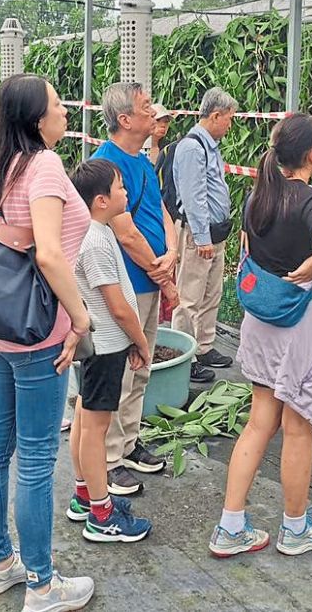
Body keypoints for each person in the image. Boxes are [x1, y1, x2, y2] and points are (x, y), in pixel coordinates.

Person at [0, 73, 95, 612]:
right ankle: (42, 585)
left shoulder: (2, 165)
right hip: (42, 331)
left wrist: (6, 231)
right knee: (38, 459)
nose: (67, 111)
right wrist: (81, 317)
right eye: (60, 104)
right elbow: (48, 254)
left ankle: (0, 565)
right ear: (39, 120)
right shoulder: (43, 165)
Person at [209, 113, 312, 559]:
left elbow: (249, 248)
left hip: (262, 321)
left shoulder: (259, 197)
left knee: (258, 422)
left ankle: (231, 527)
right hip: (299, 326)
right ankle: (294, 528)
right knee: (297, 427)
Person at [92, 81, 179, 495]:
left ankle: (128, 442)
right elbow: (124, 233)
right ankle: (107, 459)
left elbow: (160, 210)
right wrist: (162, 272)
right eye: (147, 108)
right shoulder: (104, 165)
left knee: (141, 365)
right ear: (125, 119)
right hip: (124, 285)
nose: (154, 113)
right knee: (119, 370)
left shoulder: (143, 162)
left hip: (150, 279)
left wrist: (173, 249)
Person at [65, 159, 153, 545]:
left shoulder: (88, 230)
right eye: (120, 188)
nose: (126, 193)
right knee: (96, 430)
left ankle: (83, 496)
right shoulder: (96, 240)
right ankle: (102, 514)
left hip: (95, 347)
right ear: (101, 200)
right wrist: (141, 339)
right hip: (105, 347)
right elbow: (117, 306)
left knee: (85, 418)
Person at [171, 87, 238, 382]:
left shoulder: (209, 146)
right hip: (199, 235)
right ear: (215, 116)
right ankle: (183, 356)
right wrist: (201, 238)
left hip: (215, 232)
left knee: (211, 292)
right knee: (189, 297)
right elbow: (194, 195)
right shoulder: (192, 148)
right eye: (229, 118)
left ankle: (204, 346)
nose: (230, 124)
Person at [145, 104, 172, 173]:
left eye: (166, 121)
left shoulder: (169, 148)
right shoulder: (137, 146)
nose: (163, 125)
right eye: (158, 120)